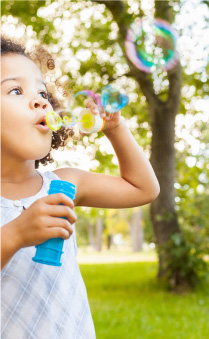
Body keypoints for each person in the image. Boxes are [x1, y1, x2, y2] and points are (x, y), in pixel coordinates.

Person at [1, 35, 160, 339]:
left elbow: (143, 189)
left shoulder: (62, 183)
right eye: (16, 90)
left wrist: (115, 129)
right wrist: (15, 234)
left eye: (42, 91)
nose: (40, 100)